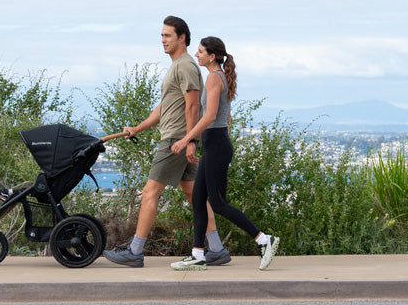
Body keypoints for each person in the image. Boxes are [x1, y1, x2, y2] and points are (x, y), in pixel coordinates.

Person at [103, 15, 227, 268]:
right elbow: (166, 106)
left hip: (176, 140)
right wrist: (138, 128)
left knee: (150, 192)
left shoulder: (185, 65)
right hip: (179, 138)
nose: (163, 40)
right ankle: (216, 248)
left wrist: (188, 141)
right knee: (194, 193)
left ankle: (135, 251)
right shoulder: (177, 66)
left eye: (167, 35)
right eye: (161, 35)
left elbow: (193, 104)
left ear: (182, 38)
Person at [167, 36, 280, 271]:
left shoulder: (213, 78)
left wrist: (187, 140)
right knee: (198, 199)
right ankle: (198, 254)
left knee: (218, 203)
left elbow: (209, 116)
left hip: (217, 146)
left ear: (212, 56)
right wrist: (207, 144)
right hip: (215, 145)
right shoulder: (219, 77)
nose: (196, 55)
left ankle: (263, 239)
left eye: (200, 51)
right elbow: (224, 117)